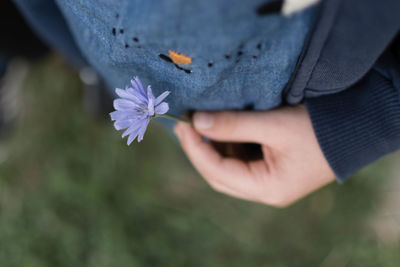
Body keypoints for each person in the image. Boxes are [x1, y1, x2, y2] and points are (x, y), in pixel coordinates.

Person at [11, 0, 400, 206]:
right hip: (87, 24)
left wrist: (371, 118)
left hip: (266, 60)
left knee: (208, 129)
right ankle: (97, 73)